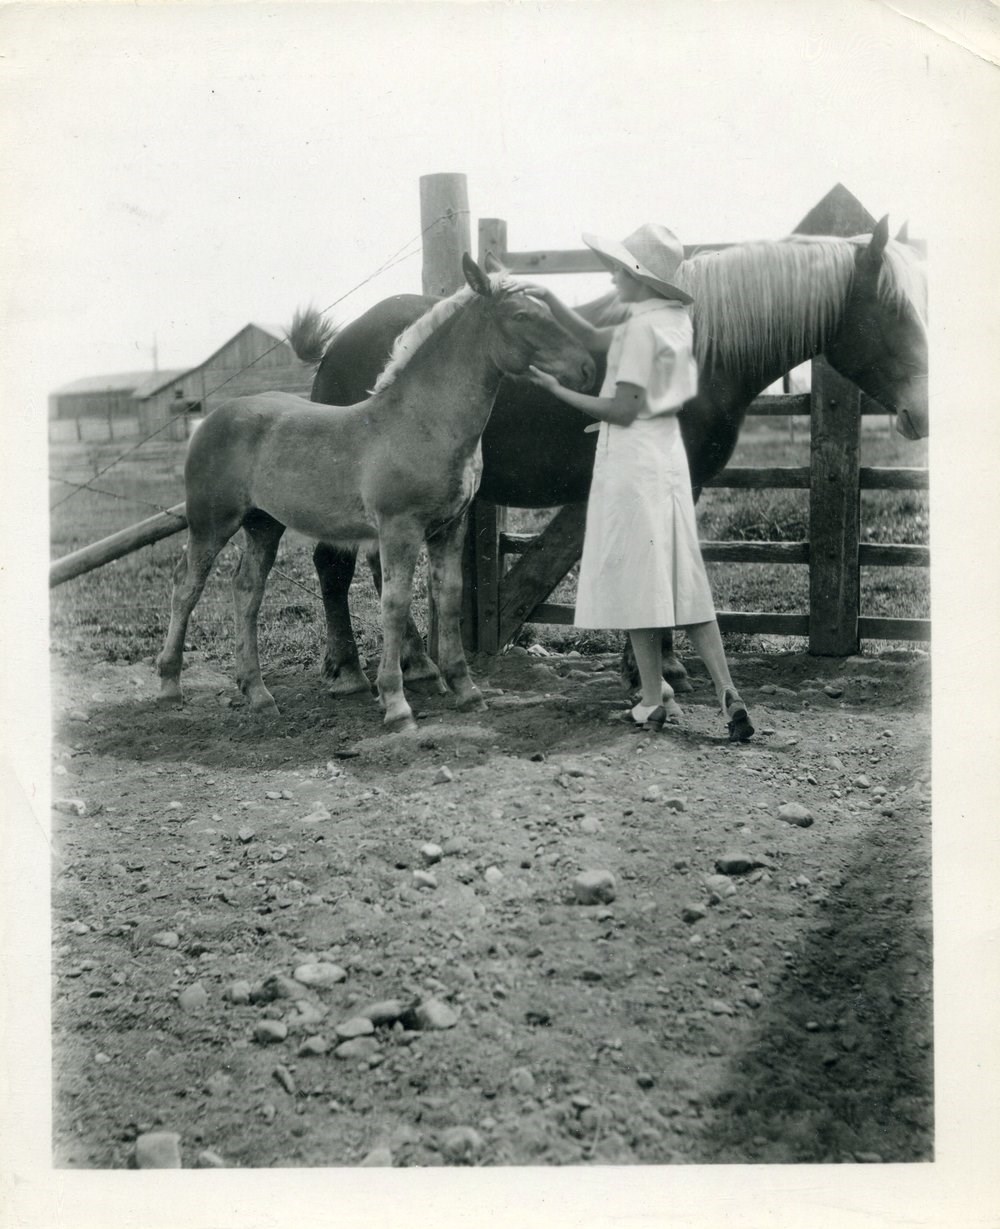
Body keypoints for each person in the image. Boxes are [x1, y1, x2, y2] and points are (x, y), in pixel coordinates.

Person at [522, 223, 753, 741]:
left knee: (637, 577)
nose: (612, 276)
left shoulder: (641, 329)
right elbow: (602, 342)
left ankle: (652, 698)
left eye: (621, 270)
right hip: (666, 454)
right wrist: (552, 300)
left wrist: (557, 390)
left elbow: (622, 409)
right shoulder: (674, 318)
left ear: (642, 279)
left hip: (631, 460)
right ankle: (725, 690)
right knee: (681, 576)